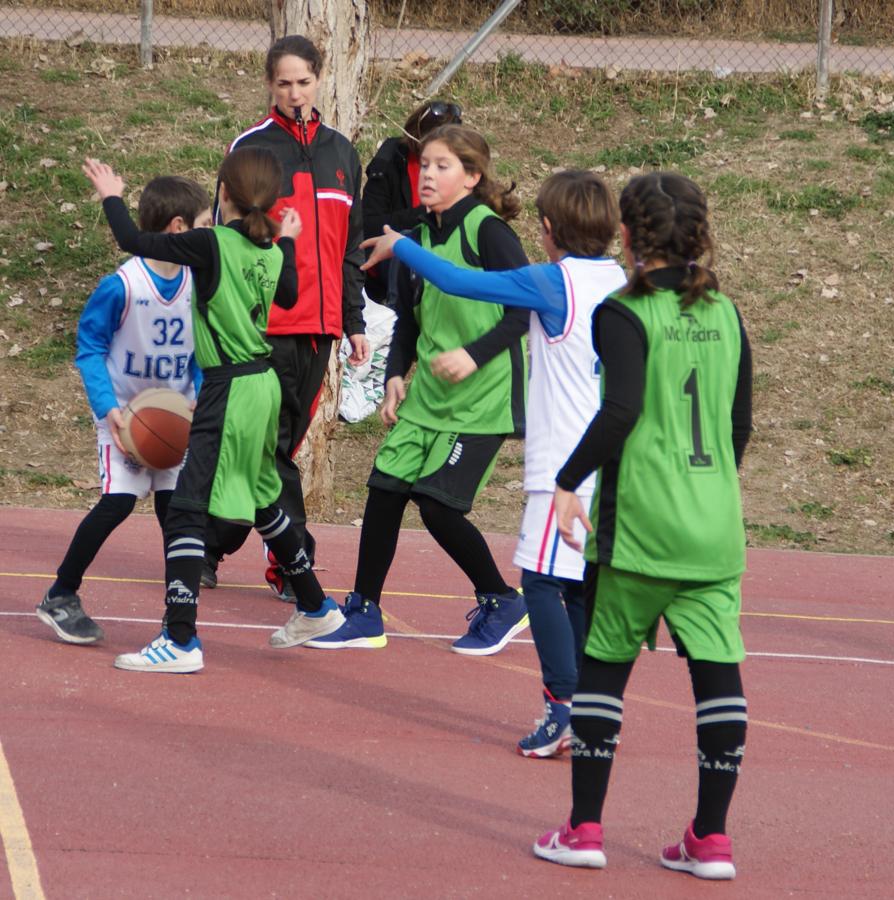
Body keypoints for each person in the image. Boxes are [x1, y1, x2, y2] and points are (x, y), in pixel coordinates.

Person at [533, 172, 753, 879]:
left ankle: (584, 829)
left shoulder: (624, 313)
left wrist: (567, 481)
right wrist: (707, 490)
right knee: (718, 675)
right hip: (714, 527)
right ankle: (710, 839)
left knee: (603, 667)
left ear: (627, 235)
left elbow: (620, 411)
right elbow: (738, 426)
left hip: (639, 526)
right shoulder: (727, 313)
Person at [360, 170, 626, 754]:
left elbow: (459, 281)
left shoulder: (553, 282)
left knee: (541, 584)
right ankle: (595, 709)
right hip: (615, 459)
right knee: (580, 586)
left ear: (547, 229)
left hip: (565, 465)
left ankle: (565, 709)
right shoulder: (622, 281)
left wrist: (401, 245)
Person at [82, 148, 346, 674]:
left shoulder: (212, 243)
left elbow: (133, 241)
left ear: (224, 193)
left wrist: (112, 197)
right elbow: (289, 295)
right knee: (263, 496)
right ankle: (316, 607)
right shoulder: (268, 249)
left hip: (229, 387)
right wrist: (288, 240)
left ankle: (179, 638)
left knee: (186, 508)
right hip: (264, 385)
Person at [302, 124, 531, 654]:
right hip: (428, 396)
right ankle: (364, 611)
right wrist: (394, 377)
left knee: (436, 506)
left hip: (483, 399)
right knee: (385, 490)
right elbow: (409, 319)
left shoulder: (488, 232)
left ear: (471, 177)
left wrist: (473, 354)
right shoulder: (417, 238)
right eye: (424, 164)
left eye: (442, 166)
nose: (428, 174)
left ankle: (502, 599)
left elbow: (524, 310)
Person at [201, 34, 370, 602]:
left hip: (321, 329)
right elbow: (225, 239)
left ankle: (210, 544)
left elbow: (350, 248)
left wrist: (354, 322)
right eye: (283, 83)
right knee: (271, 447)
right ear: (269, 85)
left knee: (279, 448)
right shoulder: (251, 149)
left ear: (319, 78)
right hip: (265, 326)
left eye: (303, 82)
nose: (295, 93)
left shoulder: (343, 153)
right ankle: (293, 565)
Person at [35, 176, 211, 644]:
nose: (211, 233)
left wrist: (200, 395)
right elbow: (90, 347)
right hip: (124, 419)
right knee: (118, 503)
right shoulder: (122, 286)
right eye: (205, 224)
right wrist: (106, 406)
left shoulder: (198, 282)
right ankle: (61, 593)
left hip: (175, 419)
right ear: (179, 228)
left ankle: (178, 618)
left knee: (178, 515)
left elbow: (201, 354)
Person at [361, 98, 462, 303]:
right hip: (390, 257)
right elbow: (368, 225)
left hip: (441, 255)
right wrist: (424, 214)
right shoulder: (391, 162)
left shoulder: (459, 169)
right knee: (407, 244)